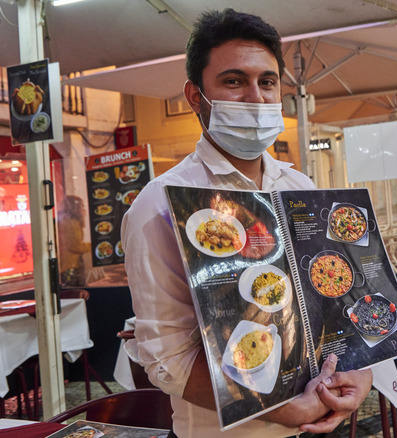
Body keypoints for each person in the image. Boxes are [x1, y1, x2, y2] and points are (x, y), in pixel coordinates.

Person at [121, 9, 372, 438]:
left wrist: (357, 375)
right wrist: (280, 409)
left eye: (267, 82)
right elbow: (166, 359)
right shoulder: (159, 204)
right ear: (196, 96)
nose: (255, 98)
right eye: (234, 82)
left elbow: (333, 305)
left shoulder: (299, 185)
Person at [58, 195, 91, 287]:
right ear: (75, 207)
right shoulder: (70, 222)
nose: (83, 208)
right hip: (70, 266)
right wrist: (92, 246)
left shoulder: (69, 220)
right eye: (81, 206)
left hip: (68, 265)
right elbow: (74, 245)